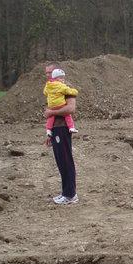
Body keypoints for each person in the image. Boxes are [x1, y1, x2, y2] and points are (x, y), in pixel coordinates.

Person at [43, 69, 79, 205]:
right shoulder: (52, 88)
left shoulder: (65, 88)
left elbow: (70, 109)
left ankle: (70, 195)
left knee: (65, 160)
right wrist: (50, 132)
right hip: (56, 129)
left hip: (63, 128)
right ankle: (66, 193)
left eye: (49, 72)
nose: (47, 75)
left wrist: (51, 112)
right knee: (61, 161)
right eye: (46, 73)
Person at [44, 68, 78, 136]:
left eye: (49, 73)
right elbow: (68, 91)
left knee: (51, 117)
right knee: (67, 116)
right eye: (61, 78)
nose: (63, 80)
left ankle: (48, 130)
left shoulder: (48, 85)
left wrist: (51, 112)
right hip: (60, 105)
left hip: (51, 106)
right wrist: (75, 92)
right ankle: (71, 127)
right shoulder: (62, 86)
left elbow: (45, 92)